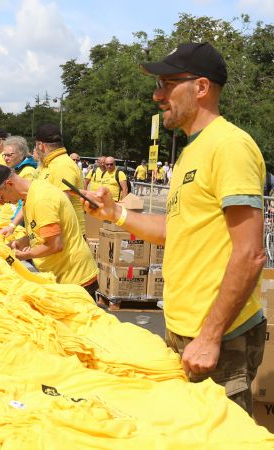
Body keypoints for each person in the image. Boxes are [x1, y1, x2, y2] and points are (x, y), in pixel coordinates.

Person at [82, 42, 266, 414]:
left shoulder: (230, 146)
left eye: (166, 84)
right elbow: (173, 230)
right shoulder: (189, 153)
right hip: (184, 329)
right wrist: (114, 213)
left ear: (201, 87)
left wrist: (211, 336)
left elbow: (251, 253)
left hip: (221, 336)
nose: (157, 95)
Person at [0, 165, 98, 295]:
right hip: (61, 276)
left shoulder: (41, 199)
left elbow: (55, 244)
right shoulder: (31, 195)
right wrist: (18, 243)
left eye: (0, 197)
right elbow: (39, 234)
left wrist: (26, 255)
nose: (2, 203)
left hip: (74, 279)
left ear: (9, 184)